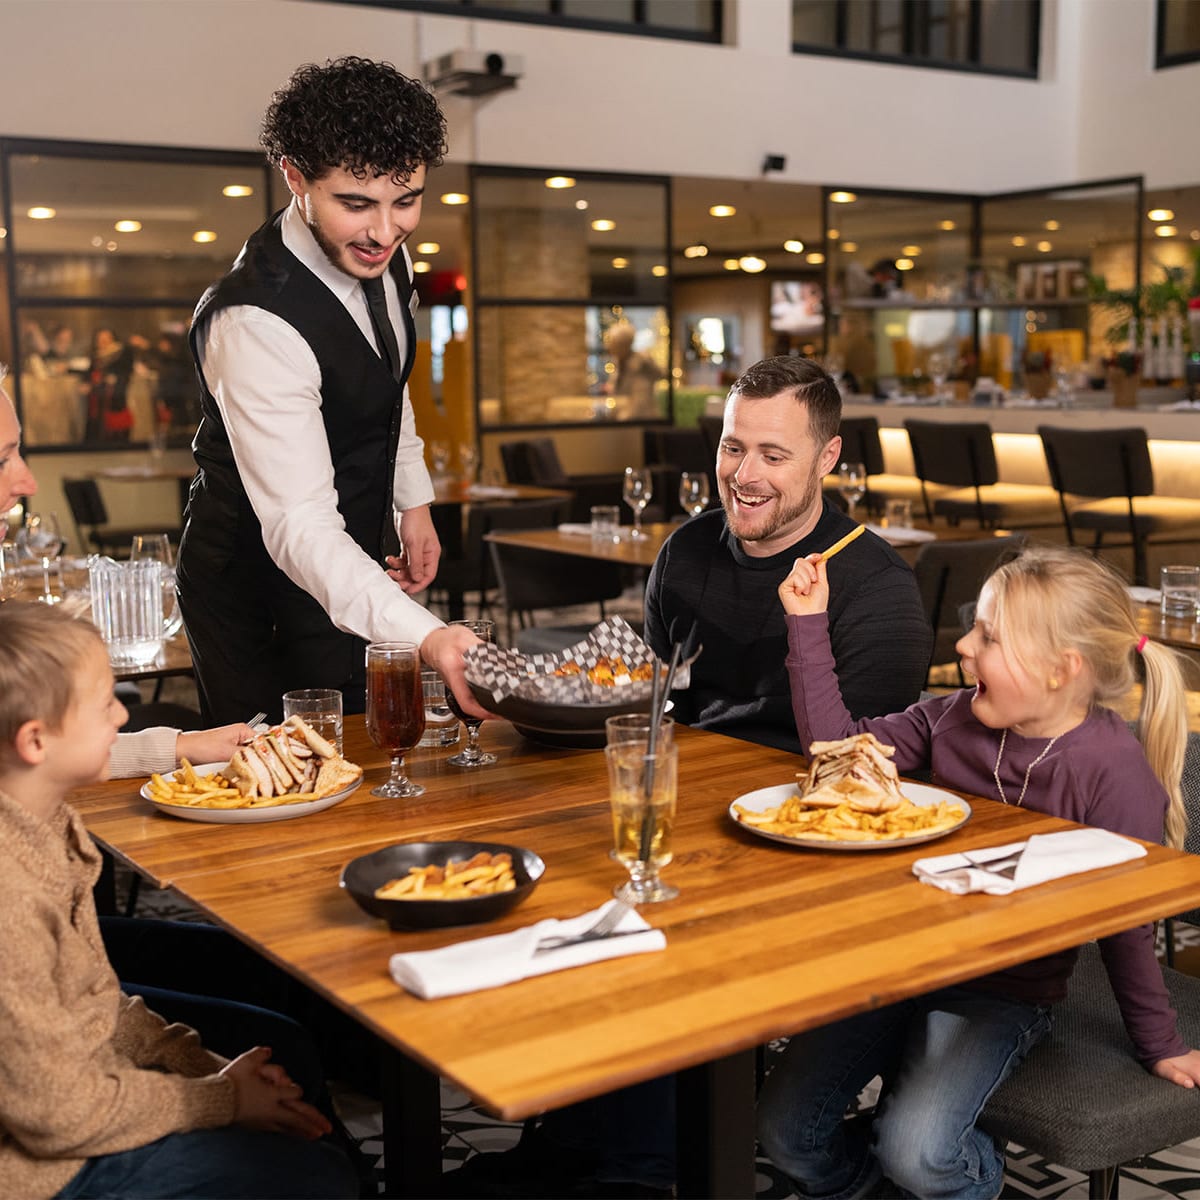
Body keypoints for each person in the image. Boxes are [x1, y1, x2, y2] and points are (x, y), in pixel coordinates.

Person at [760, 543, 1197, 1200]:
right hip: (899, 965)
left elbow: (1126, 926)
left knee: (919, 1152)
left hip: (1004, 993)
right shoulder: (951, 715)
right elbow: (839, 758)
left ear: (1060, 670)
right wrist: (808, 623)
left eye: (988, 637)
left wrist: (1158, 1043)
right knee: (784, 1131)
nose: (963, 645)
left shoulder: (1112, 772)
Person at [0, 602, 358, 1200]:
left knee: (286, 1062)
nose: (122, 713)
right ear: (35, 741)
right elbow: (58, 1114)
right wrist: (219, 1099)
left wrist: (201, 1064)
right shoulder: (12, 894)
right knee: (317, 1178)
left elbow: (94, 1001)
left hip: (80, 1101)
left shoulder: (44, 821)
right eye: (104, 703)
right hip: (42, 1174)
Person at [176, 56, 483, 726]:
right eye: (355, 204)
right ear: (293, 176)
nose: (384, 231)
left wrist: (415, 500)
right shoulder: (255, 321)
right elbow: (299, 525)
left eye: (406, 201)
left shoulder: (386, 253)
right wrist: (427, 634)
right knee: (288, 771)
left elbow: (386, 384)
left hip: (351, 550)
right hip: (254, 580)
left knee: (368, 741)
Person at [644, 355, 932, 753]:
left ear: (826, 458)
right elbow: (659, 707)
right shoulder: (683, 551)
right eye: (732, 448)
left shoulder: (880, 587)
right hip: (687, 777)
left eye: (773, 456)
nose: (743, 475)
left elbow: (860, 759)